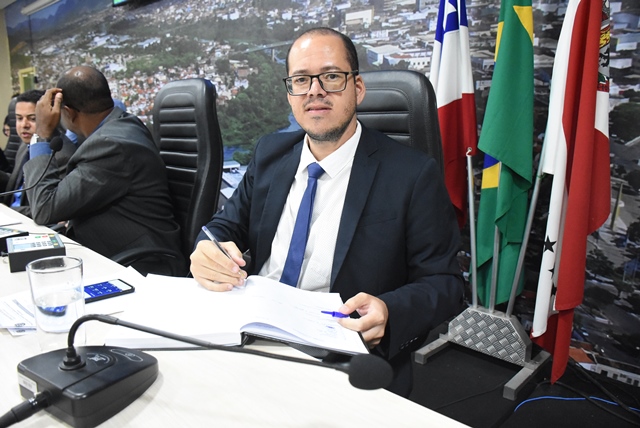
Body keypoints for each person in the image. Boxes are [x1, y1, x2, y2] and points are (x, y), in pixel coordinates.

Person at [190, 28, 464, 396]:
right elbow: (221, 228)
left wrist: (389, 309)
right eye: (301, 80)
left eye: (331, 77)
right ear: (291, 94)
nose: (315, 90)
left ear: (358, 88)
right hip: (252, 335)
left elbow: (446, 283)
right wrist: (208, 249)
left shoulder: (412, 174)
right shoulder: (269, 154)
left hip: (340, 355)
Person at [23, 65, 183, 275]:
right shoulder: (122, 126)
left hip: (141, 265)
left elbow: (45, 208)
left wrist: (42, 134)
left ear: (68, 113)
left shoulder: (111, 145)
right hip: (114, 251)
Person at [1, 90, 75, 216]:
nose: (24, 125)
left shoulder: (62, 154)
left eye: (33, 119)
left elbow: (50, 209)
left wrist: (7, 211)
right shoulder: (24, 146)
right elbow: (16, 190)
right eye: (19, 118)